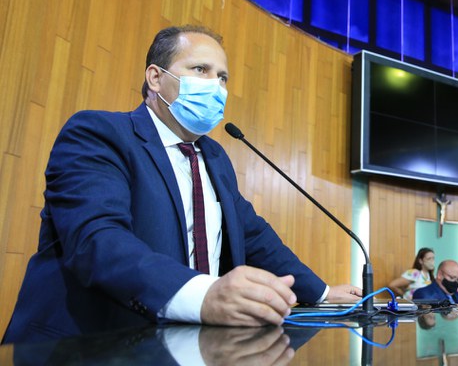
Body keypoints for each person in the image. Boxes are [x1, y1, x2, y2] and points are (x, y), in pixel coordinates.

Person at [3, 25, 361, 344]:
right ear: (155, 78)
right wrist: (204, 295)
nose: (216, 85)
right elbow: (98, 239)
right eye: (200, 69)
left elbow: (254, 236)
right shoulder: (99, 134)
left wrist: (322, 293)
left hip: (185, 346)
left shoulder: (215, 157)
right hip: (89, 347)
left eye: (223, 77)